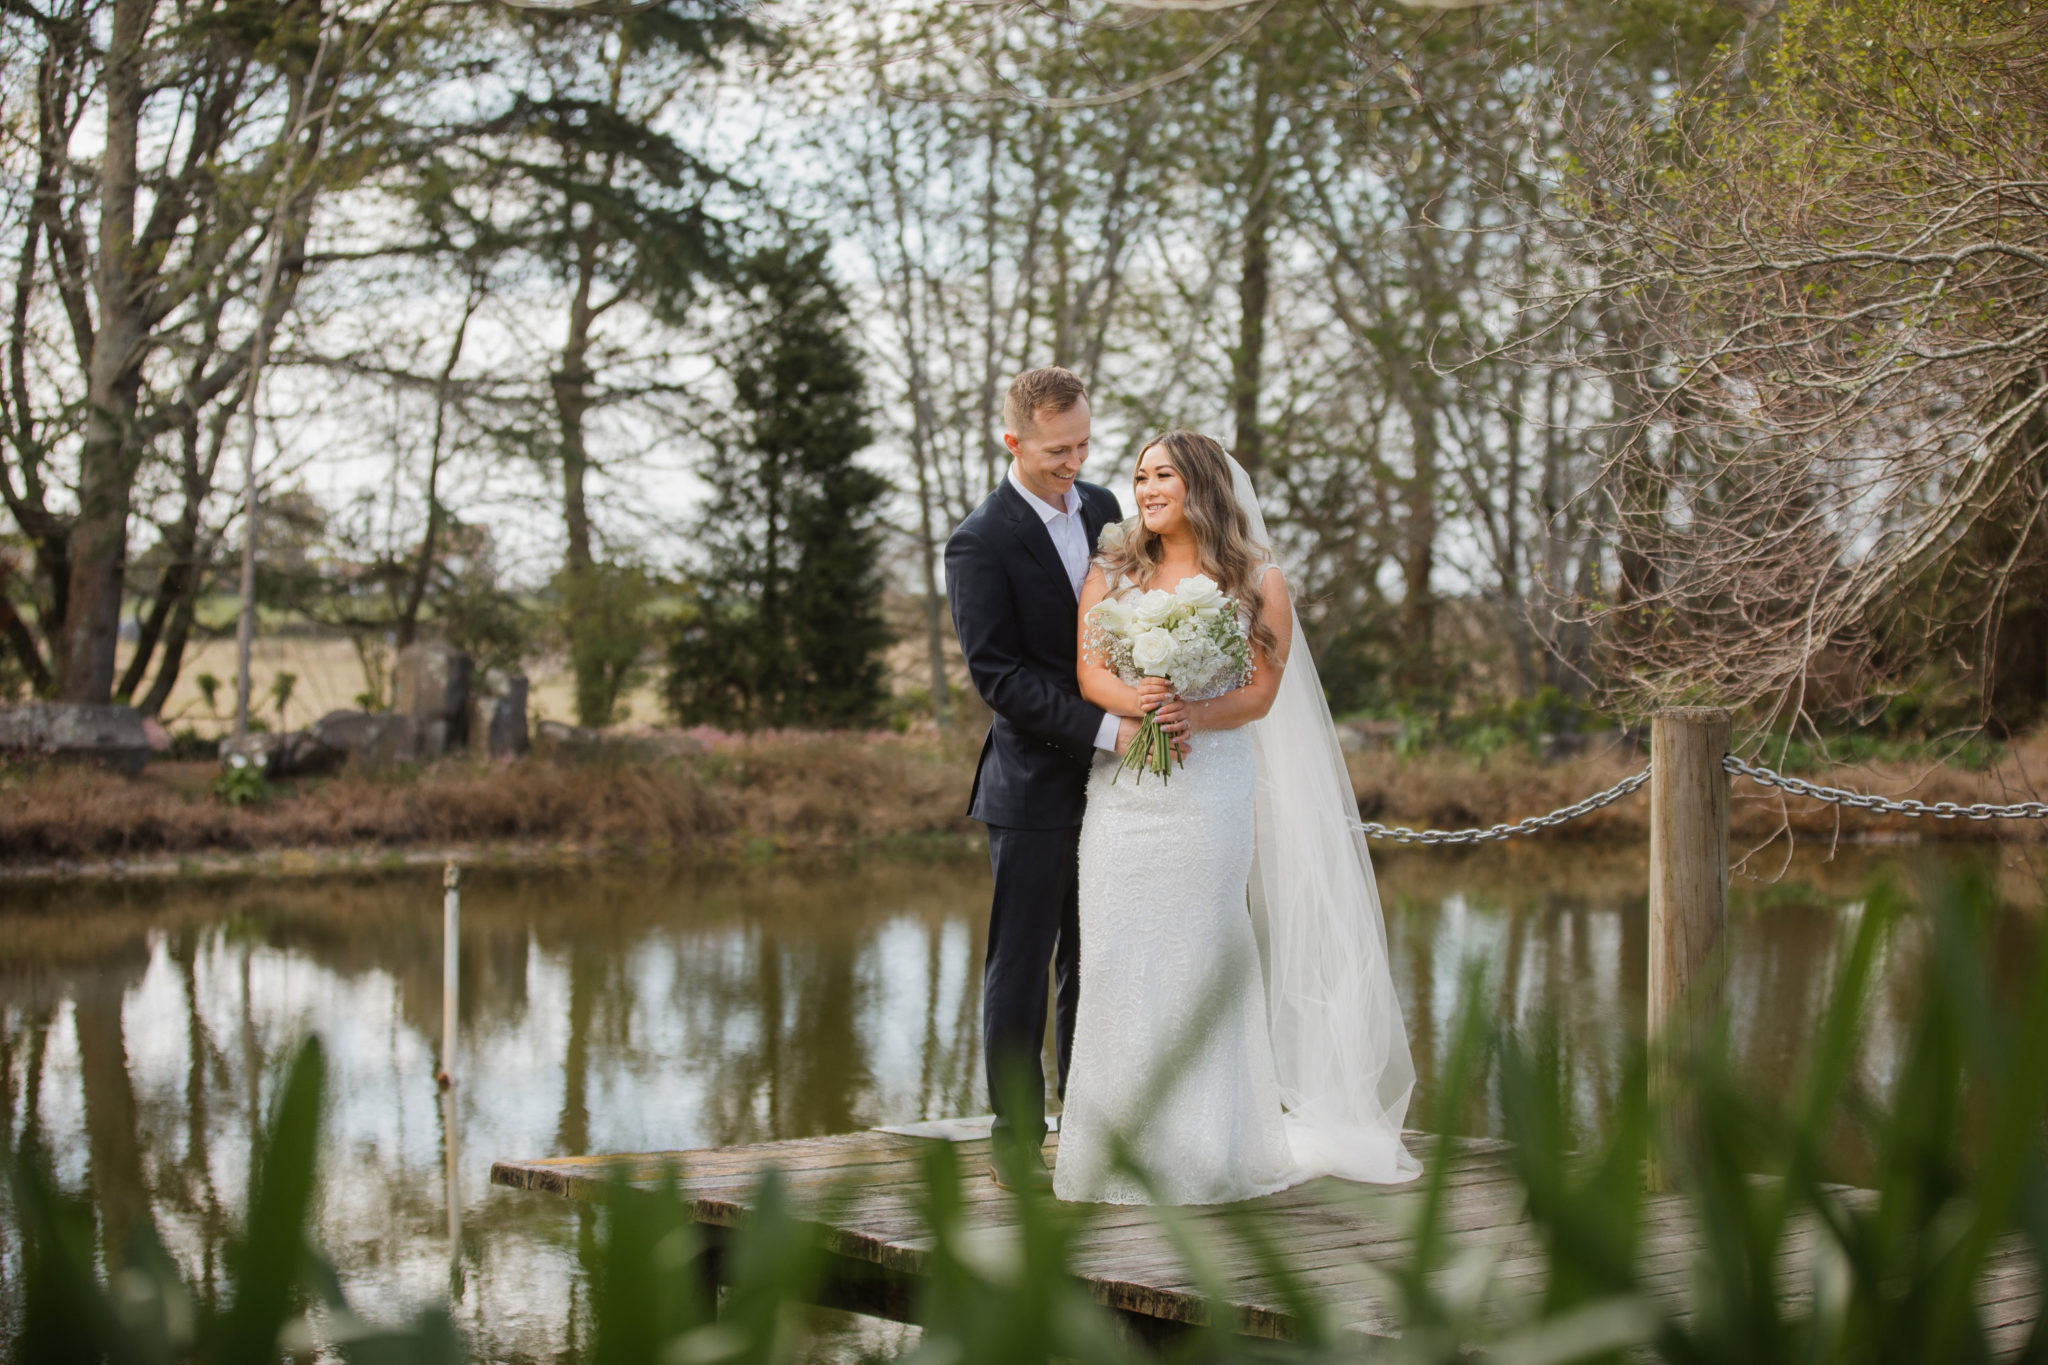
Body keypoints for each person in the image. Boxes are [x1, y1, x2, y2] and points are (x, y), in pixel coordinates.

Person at [1054, 429, 1420, 1205]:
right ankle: (1109, 1152)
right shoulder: (1111, 570)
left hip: (1207, 791)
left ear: (1203, 485)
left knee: (1201, 956)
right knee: (1118, 958)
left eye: (1164, 476)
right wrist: (1142, 702)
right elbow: (1088, 669)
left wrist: (1195, 711)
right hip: (1123, 795)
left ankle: (1203, 1151)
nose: (1147, 488)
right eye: (1141, 475)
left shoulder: (1256, 580)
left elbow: (1261, 690)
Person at [943, 368, 1189, 1188]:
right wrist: (1109, 726)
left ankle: (1088, 1124)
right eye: (1057, 450)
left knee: (1096, 956)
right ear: (1012, 441)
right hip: (1031, 787)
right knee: (1021, 961)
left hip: (1117, 788)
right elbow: (1000, 677)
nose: (1075, 462)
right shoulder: (980, 540)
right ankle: (1017, 1138)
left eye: (1084, 444)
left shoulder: (1104, 512)